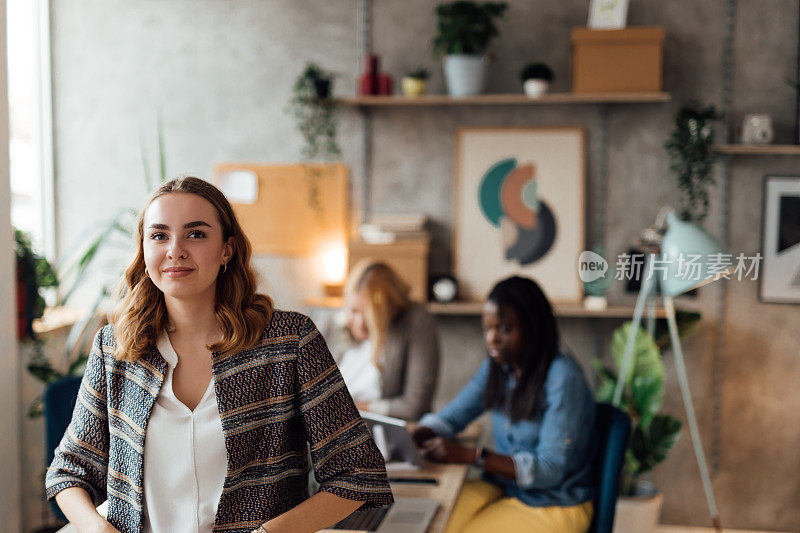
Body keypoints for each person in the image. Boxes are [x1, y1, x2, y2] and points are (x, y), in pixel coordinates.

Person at [45, 177, 393, 533]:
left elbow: (357, 472)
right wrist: (98, 528)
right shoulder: (113, 349)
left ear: (227, 250)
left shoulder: (289, 342)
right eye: (159, 235)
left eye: (195, 234)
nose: (175, 250)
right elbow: (69, 471)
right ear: (144, 249)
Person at [411, 276, 596, 533]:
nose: (492, 339)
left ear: (533, 328)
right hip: (505, 486)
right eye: (487, 328)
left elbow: (549, 469)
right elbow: (452, 418)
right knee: (427, 521)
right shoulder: (498, 367)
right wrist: (414, 436)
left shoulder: (563, 378)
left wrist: (471, 456)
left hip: (554, 501)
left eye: (504, 329)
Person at [336, 259, 440, 420]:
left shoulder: (416, 322)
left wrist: (352, 407)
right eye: (354, 311)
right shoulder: (334, 327)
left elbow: (414, 407)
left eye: (370, 315)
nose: (360, 323)